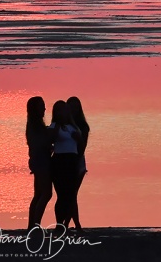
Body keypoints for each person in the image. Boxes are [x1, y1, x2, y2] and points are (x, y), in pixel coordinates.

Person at [49, 100, 82, 229]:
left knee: (71, 194)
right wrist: (57, 127)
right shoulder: (53, 126)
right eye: (59, 110)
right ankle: (59, 224)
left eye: (64, 110)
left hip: (72, 161)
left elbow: (80, 144)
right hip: (59, 162)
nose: (62, 113)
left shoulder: (73, 127)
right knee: (61, 194)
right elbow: (51, 139)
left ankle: (68, 223)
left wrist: (77, 137)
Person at [26, 96, 54, 229]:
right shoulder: (35, 125)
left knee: (38, 194)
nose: (44, 108)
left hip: (38, 160)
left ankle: (32, 225)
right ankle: (35, 225)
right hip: (41, 160)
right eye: (41, 106)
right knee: (46, 193)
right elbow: (40, 143)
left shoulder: (35, 124)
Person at [66, 96, 90, 233]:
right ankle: (72, 223)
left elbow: (82, 149)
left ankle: (73, 223)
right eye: (70, 107)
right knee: (69, 194)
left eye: (75, 107)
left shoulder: (83, 126)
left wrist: (78, 139)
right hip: (66, 162)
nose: (73, 110)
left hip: (78, 162)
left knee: (72, 194)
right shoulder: (65, 125)